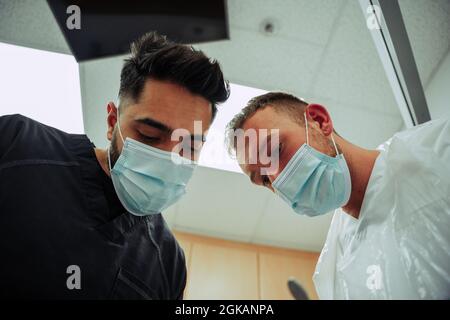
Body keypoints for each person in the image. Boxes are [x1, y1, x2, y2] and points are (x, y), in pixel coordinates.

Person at [0, 32, 230, 299]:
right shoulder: (17, 144)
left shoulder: (168, 263)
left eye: (188, 147)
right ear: (112, 122)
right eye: (149, 134)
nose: (169, 156)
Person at [225, 92, 450, 299]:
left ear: (319, 121)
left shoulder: (438, 150)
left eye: (275, 151)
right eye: (264, 179)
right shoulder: (332, 270)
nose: (277, 179)